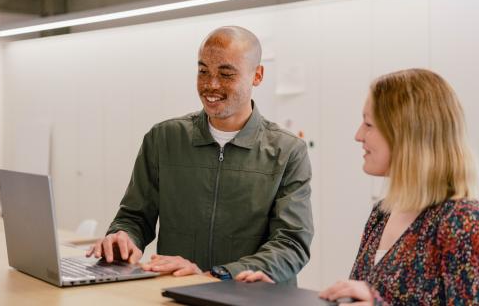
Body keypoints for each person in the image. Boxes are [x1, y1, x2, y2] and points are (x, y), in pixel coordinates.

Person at [85, 26, 314, 285]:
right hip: (176, 294)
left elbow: (291, 244)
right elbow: (134, 217)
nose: (211, 84)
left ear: (257, 76)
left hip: (250, 300)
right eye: (203, 71)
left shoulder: (287, 151)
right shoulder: (163, 139)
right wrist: (122, 237)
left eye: (226, 74)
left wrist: (214, 276)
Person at [319, 69, 479, 305]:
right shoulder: (382, 213)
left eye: (368, 124)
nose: (358, 135)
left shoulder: (463, 222)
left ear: (406, 135)